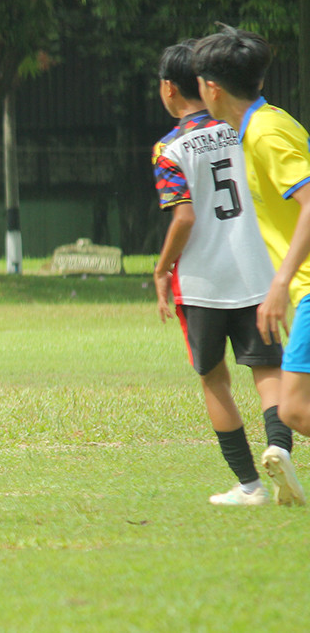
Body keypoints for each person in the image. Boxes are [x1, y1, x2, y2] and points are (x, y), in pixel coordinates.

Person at [151, 40, 299, 506]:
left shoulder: (169, 148)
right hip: (257, 273)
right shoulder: (243, 129)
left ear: (170, 89)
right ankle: (279, 448)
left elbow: (184, 217)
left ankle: (249, 485)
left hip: (202, 283)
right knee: (268, 370)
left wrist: (162, 268)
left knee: (214, 379)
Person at [193, 23, 309, 505]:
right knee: (294, 407)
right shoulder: (259, 127)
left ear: (212, 88)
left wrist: (280, 282)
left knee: (296, 409)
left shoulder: (265, 132)